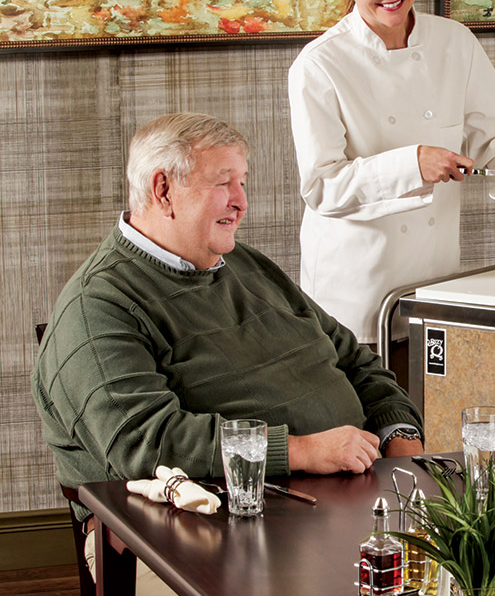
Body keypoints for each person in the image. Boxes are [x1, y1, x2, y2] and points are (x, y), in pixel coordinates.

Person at [33, 113, 425, 522]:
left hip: (349, 499)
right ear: (163, 190)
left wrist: (399, 438)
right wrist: (303, 451)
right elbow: (145, 444)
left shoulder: (246, 265)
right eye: (224, 183)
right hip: (202, 525)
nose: (241, 201)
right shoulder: (98, 304)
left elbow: (354, 361)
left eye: (243, 182)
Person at [287, 0, 495, 364]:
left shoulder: (453, 41)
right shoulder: (319, 64)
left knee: (430, 421)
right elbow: (322, 186)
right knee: (365, 428)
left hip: (435, 283)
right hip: (355, 295)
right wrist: (412, 164)